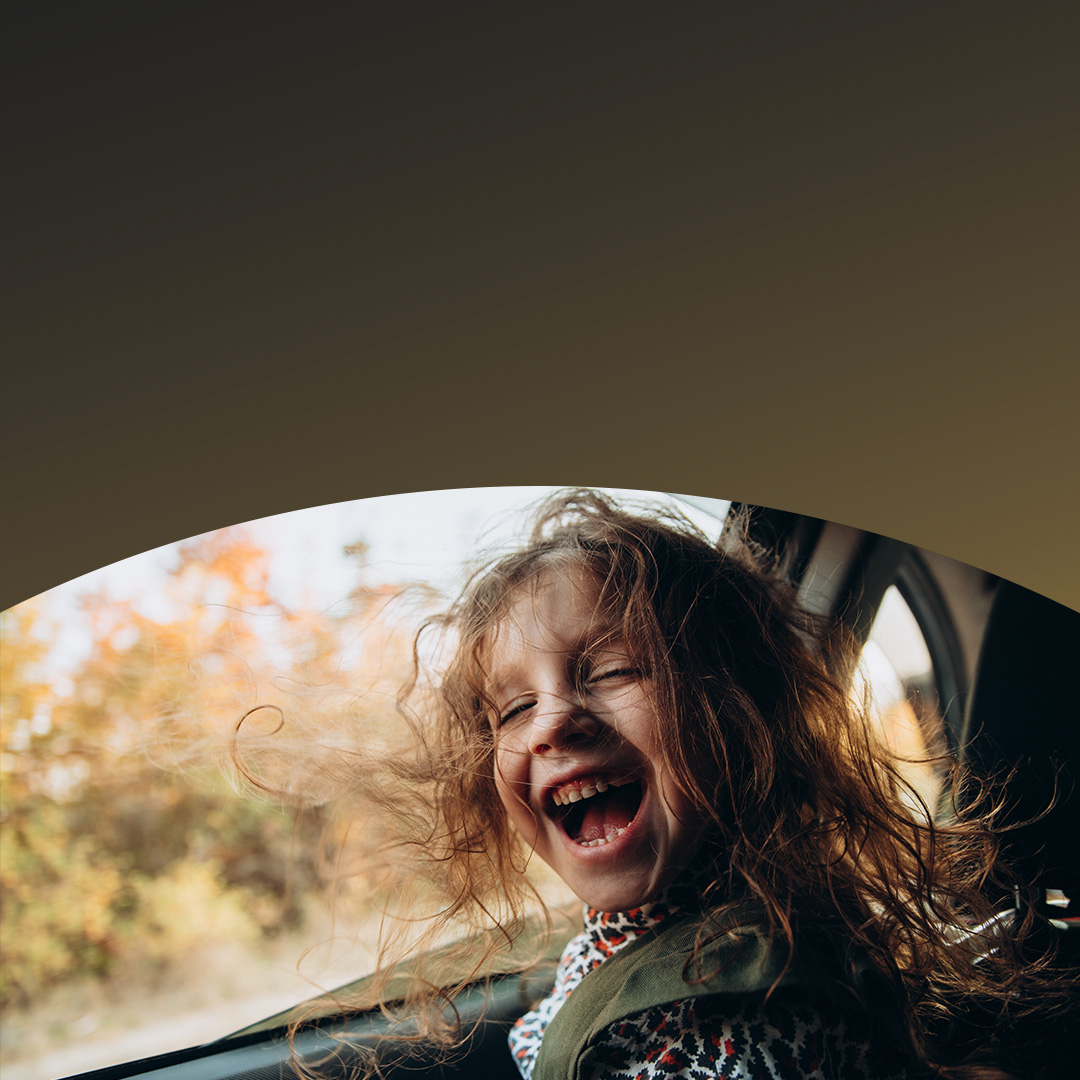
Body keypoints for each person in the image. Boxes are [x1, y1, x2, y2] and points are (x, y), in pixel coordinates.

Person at [269, 489, 1072, 1078]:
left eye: (612, 669)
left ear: (744, 715)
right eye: (512, 709)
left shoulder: (734, 1016)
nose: (552, 722)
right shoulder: (677, 932)